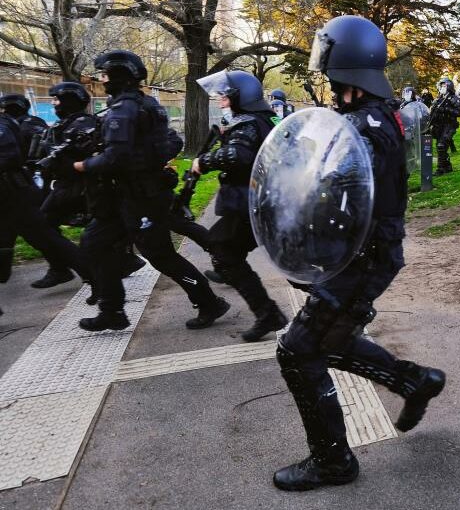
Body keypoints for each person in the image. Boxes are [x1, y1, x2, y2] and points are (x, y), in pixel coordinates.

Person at [275, 15, 446, 491]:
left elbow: (336, 199)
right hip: (363, 256)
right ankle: (414, 382)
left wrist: (312, 256)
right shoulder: (374, 116)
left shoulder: (363, 128)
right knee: (328, 340)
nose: (325, 78)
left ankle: (332, 463)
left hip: (358, 260)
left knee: (297, 352)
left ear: (345, 67)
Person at [73, 50, 229, 332]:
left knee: (161, 256)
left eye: (105, 75)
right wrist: (151, 160)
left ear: (119, 76)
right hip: (126, 197)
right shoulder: (147, 105)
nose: (102, 80)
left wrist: (84, 165)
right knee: (94, 244)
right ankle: (112, 310)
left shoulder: (125, 110)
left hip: (140, 199)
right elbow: (169, 142)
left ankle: (208, 301)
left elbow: (116, 158)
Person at [192, 70, 289, 342]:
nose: (221, 97)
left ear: (240, 95)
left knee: (225, 251)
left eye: (226, 93)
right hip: (265, 200)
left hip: (253, 203)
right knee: (286, 257)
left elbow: (239, 154)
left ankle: (270, 314)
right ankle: (269, 314)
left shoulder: (248, 123)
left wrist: (205, 161)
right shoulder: (264, 118)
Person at [0, 96, 93, 304]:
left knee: (46, 235)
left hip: (18, 192)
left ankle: (93, 273)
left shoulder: (20, 124)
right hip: (15, 192)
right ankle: (70, 271)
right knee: (42, 236)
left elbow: (14, 157)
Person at [428, 78, 460, 175]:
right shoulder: (438, 99)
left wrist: (446, 109)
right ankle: (447, 166)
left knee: (441, 146)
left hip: (449, 125)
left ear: (449, 86)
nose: (442, 88)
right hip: (439, 126)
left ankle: (440, 169)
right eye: (441, 86)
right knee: (439, 146)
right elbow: (433, 113)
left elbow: (458, 113)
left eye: (444, 86)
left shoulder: (454, 98)